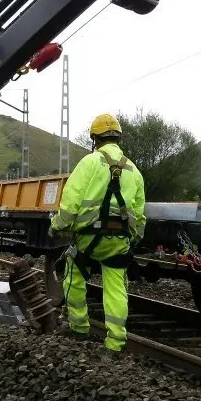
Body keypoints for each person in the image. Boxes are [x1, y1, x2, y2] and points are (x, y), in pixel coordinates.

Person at [48, 113, 146, 359]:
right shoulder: (134, 170)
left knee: (73, 274)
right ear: (118, 137)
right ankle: (115, 342)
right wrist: (133, 240)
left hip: (88, 239)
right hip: (119, 241)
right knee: (115, 288)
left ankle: (79, 327)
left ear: (95, 138)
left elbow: (71, 202)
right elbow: (140, 213)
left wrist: (57, 225)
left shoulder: (90, 163)